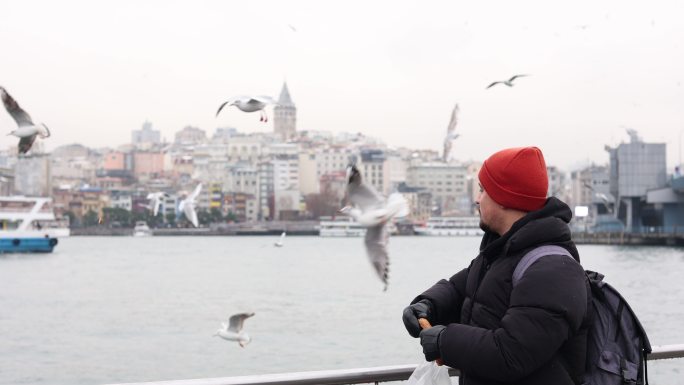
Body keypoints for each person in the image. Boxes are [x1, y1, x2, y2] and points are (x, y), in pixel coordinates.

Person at [403, 146, 588, 385]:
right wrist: (427, 305)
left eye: (482, 190)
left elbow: (511, 354)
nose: (476, 199)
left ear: (504, 198)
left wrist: (444, 341)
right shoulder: (500, 252)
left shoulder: (553, 270)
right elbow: (461, 289)